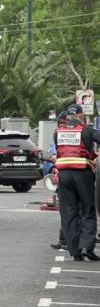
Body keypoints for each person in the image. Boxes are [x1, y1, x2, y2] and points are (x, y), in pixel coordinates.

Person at [54, 104, 100, 261]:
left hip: (64, 175)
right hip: (82, 174)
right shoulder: (86, 130)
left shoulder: (58, 132)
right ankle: (87, 246)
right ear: (81, 116)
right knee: (87, 210)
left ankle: (75, 251)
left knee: (69, 212)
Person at [46, 111, 67, 250]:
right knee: (65, 210)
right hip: (63, 177)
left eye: (64, 123)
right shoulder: (57, 136)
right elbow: (51, 159)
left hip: (77, 177)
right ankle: (64, 240)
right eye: (60, 124)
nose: (62, 127)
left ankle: (81, 241)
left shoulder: (82, 134)